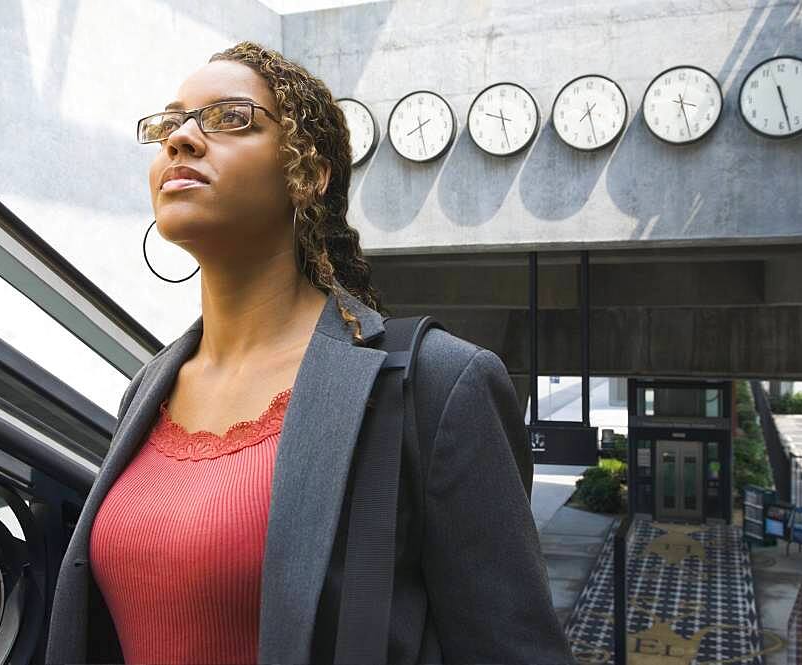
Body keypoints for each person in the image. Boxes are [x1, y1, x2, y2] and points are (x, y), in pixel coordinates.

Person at [44, 40, 569, 665]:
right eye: (170, 123)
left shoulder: (437, 383)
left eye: (230, 117)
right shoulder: (148, 388)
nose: (181, 140)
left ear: (310, 173)